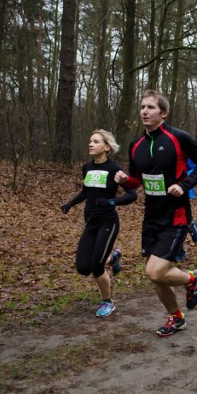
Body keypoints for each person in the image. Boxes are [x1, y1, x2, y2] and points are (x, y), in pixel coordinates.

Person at [114, 90, 197, 337]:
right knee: (156, 277)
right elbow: (137, 182)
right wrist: (125, 180)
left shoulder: (178, 137)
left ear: (164, 113)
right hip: (151, 216)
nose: (144, 111)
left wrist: (185, 184)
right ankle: (176, 318)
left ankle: (191, 279)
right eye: (142, 107)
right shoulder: (135, 145)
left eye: (151, 107)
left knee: (155, 271)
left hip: (176, 215)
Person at [61, 129, 138, 317]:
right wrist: (70, 204)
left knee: (96, 266)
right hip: (91, 222)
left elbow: (132, 194)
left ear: (106, 147)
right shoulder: (87, 167)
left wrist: (112, 202)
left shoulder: (114, 169)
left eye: (95, 141)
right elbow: (86, 191)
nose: (91, 144)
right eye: (90, 141)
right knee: (82, 268)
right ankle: (113, 258)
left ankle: (107, 302)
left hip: (108, 222)